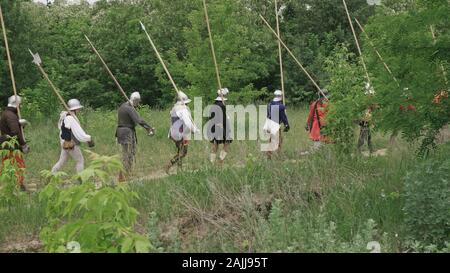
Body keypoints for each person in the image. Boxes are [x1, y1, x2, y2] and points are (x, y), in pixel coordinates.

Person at [116, 92, 155, 181]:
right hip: (126, 132)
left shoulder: (123, 106)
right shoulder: (129, 108)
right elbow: (138, 120)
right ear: (136, 100)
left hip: (122, 131)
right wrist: (148, 128)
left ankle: (126, 173)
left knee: (128, 153)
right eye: (138, 102)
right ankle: (124, 175)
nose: (138, 104)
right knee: (128, 154)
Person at [51, 99, 94, 174]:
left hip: (65, 143)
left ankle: (51, 175)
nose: (79, 110)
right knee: (80, 161)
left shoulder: (66, 117)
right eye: (78, 108)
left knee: (61, 162)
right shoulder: (70, 118)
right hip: (71, 143)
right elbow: (79, 133)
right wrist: (88, 139)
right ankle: (81, 179)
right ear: (75, 109)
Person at [165, 91, 199, 173]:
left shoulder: (174, 108)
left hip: (174, 133)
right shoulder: (182, 109)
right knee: (183, 152)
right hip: (181, 134)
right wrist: (194, 130)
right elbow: (187, 121)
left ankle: (180, 169)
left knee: (180, 151)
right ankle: (169, 164)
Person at [0, 95, 29, 191]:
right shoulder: (11, 115)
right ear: (16, 104)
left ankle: (9, 185)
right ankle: (19, 186)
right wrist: (23, 144)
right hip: (11, 145)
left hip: (6, 145)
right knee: (19, 166)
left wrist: (21, 125)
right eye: (20, 105)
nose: (20, 107)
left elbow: (12, 129)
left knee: (7, 165)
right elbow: (15, 132)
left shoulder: (6, 113)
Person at [208, 88, 232, 165]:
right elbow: (224, 119)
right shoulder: (222, 105)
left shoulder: (213, 105)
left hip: (213, 128)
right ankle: (220, 162)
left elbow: (210, 117)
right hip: (221, 128)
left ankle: (212, 163)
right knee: (227, 143)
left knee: (215, 145)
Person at [264, 90, 290, 159]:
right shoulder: (281, 106)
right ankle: (277, 155)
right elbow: (283, 117)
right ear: (281, 96)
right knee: (278, 140)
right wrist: (286, 125)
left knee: (271, 140)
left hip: (269, 124)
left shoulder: (269, 104)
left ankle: (269, 155)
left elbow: (268, 115)